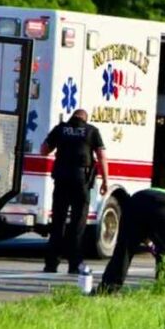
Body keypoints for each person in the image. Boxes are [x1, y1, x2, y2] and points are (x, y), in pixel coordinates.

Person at [40, 109, 108, 273]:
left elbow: (44, 150)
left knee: (58, 222)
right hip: (81, 181)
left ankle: (51, 263)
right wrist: (105, 180)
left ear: (73, 117)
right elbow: (102, 156)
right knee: (78, 223)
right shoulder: (92, 131)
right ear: (85, 119)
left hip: (62, 179)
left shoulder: (60, 129)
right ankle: (74, 264)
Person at [99, 187, 165, 293]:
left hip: (136, 201)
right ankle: (163, 290)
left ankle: (108, 289)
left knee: (124, 249)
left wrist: (151, 245)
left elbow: (143, 232)